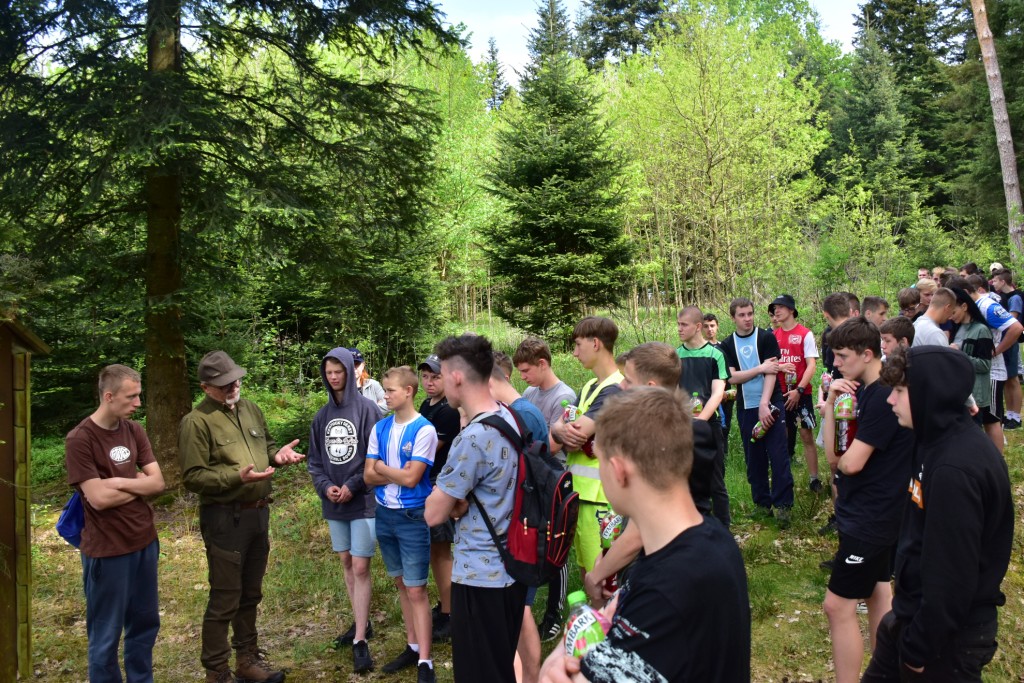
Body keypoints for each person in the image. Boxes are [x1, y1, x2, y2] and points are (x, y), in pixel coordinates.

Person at [539, 387, 751, 683]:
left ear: (618, 471)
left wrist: (553, 663)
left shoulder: (663, 590)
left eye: (599, 460)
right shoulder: (715, 538)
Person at [862, 346, 1014, 681]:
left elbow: (952, 573)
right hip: (911, 616)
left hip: (946, 638)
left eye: (899, 392)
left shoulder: (954, 470)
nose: (890, 401)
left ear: (931, 395)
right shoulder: (932, 439)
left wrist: (920, 647)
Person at [178, 351, 305, 683]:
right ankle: (217, 672)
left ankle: (247, 660)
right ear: (206, 387)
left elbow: (270, 448)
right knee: (225, 596)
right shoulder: (196, 422)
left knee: (251, 592)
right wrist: (237, 478)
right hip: (224, 519)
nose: (233, 385)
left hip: (258, 516)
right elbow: (192, 477)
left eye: (234, 378)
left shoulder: (250, 409)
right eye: (224, 383)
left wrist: (279, 456)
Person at [425, 334, 527, 683]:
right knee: (499, 667)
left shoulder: (472, 438)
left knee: (478, 673)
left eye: (440, 374)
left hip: (479, 576)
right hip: (513, 567)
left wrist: (451, 501)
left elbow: (433, 513)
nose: (436, 382)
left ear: (456, 377)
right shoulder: (510, 418)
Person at [584, 341, 720, 605]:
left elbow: (638, 532)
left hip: (664, 561)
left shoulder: (675, 438)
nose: (621, 386)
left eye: (627, 380)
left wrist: (597, 575)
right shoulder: (692, 430)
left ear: (650, 389)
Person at [819, 319, 914, 683]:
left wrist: (841, 462)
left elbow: (846, 462)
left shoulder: (880, 398)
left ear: (868, 354)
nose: (837, 363)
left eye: (842, 356)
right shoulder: (870, 390)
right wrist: (830, 400)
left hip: (873, 516)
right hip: (879, 511)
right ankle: (885, 672)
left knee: (837, 605)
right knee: (878, 593)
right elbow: (836, 458)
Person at [65, 364, 165, 683]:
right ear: (109, 396)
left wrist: (116, 483)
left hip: (145, 543)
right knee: (105, 636)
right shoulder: (80, 439)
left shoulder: (134, 430)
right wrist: (135, 482)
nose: (138, 403)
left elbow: (158, 483)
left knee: (145, 624)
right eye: (131, 396)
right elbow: (98, 499)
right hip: (107, 552)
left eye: (139, 395)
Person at [306, 347, 381, 671]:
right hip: (333, 502)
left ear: (351, 371)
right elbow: (315, 461)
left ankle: (360, 639)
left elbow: (373, 457)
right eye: (329, 372)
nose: (334, 377)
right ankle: (360, 622)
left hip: (362, 502)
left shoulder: (368, 411)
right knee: (347, 562)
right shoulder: (321, 417)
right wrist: (326, 487)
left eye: (339, 371)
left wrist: (352, 485)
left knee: (362, 567)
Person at [365, 366, 439, 683]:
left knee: (417, 588)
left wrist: (382, 466)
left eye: (391, 390)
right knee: (400, 583)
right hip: (385, 514)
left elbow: (413, 479)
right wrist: (390, 470)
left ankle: (426, 660)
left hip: (412, 518)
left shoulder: (424, 430)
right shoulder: (379, 428)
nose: (385, 395)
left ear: (408, 391)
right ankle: (412, 645)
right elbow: (368, 476)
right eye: (384, 389)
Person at [490, 351, 551, 683]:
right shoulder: (525, 410)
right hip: (526, 522)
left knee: (519, 608)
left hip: (522, 524)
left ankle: (528, 676)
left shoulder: (518, 414)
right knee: (519, 607)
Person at [549, 317, 624, 576]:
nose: (574, 353)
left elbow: (576, 432)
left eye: (578, 345)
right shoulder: (590, 386)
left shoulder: (615, 388)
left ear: (595, 344)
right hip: (581, 497)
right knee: (586, 573)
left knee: (603, 578)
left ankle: (609, 618)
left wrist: (562, 431)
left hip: (603, 501)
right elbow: (562, 434)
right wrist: (560, 431)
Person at [513, 337, 575, 641]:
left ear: (543, 363)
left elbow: (554, 443)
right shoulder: (528, 393)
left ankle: (554, 612)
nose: (522, 377)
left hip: (553, 476)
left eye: (526, 370)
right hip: (531, 478)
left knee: (555, 544)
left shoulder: (565, 395)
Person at [416, 353, 462, 643]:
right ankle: (445, 604)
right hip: (425, 484)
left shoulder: (448, 411)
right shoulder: (425, 405)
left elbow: (427, 449)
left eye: (435, 376)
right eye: (425, 376)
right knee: (434, 550)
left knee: (443, 551)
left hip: (439, 486)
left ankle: (450, 613)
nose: (429, 382)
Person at [676, 306, 731, 527]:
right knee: (684, 479)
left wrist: (698, 422)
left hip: (709, 425)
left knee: (715, 481)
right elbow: (671, 391)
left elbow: (718, 392)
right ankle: (692, 528)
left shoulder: (716, 354)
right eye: (678, 324)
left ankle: (723, 530)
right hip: (681, 427)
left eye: (684, 325)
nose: (679, 329)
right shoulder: (675, 355)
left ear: (697, 327)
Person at [768, 294, 822, 494]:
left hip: (801, 394)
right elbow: (770, 364)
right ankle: (783, 479)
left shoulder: (805, 334)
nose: (776, 311)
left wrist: (799, 390)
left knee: (806, 436)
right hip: (779, 394)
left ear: (791, 310)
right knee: (780, 437)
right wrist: (781, 366)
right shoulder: (773, 336)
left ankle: (814, 479)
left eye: (781, 307)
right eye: (775, 308)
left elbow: (811, 365)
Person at [965, 274, 1024, 453]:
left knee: (991, 419)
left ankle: (997, 464)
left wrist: (996, 351)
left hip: (992, 371)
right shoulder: (977, 305)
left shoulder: (988, 305)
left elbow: (1016, 328)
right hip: (980, 371)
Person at [948, 288, 994, 426]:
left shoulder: (981, 330)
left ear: (964, 306)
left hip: (976, 395)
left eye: (954, 312)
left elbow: (985, 364)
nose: (951, 317)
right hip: (960, 393)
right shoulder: (956, 328)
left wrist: (960, 355)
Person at [991, 270, 1023, 429]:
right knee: (1006, 379)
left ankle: (1016, 416)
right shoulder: (1003, 298)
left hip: (1010, 341)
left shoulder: (1015, 298)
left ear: (1003, 281)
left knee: (1013, 379)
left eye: (995, 280)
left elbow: (1011, 321)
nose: (993, 283)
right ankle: (1009, 413)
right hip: (1003, 341)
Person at [350, 348, 387, 412]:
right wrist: (375, 406)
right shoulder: (340, 389)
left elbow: (387, 404)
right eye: (350, 364)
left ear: (363, 365)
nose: (353, 368)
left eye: (356, 364)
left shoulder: (373, 385)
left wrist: (366, 412)